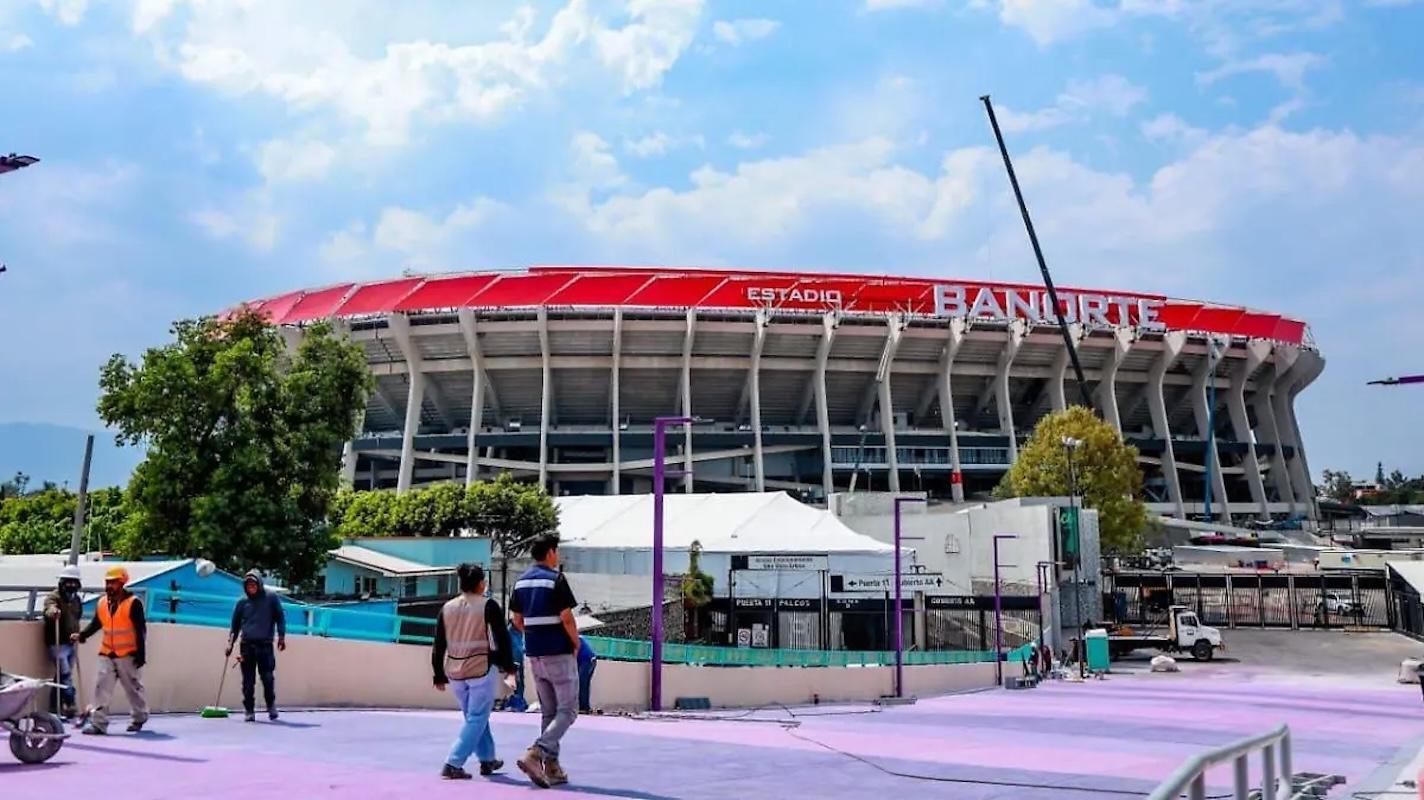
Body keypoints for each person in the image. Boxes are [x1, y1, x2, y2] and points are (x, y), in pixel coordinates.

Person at [509, 535, 581, 788]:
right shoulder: (556, 580)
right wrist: (575, 642)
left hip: (534, 654)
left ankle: (552, 767)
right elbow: (567, 618)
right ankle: (536, 753)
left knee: (549, 712)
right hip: (558, 652)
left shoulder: (520, 582)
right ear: (550, 552)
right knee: (569, 710)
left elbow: (517, 621)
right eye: (557, 551)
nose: (557, 555)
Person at [433, 563, 516, 780]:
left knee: (476, 717)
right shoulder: (488, 605)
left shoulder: (447, 607)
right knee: (477, 717)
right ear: (481, 584)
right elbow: (502, 639)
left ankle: (487, 759)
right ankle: (453, 762)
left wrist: (438, 674)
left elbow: (439, 644)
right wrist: (509, 668)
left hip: (454, 671)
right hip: (480, 669)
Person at [74, 566, 149, 735]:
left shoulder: (133, 603)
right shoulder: (102, 603)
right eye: (107, 582)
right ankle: (98, 723)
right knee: (101, 688)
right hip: (107, 652)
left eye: (113, 583)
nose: (109, 586)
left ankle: (139, 717)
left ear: (122, 583)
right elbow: (97, 623)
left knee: (133, 688)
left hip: (128, 654)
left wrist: (141, 654)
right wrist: (83, 635)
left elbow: (141, 630)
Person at [227, 570, 287, 722]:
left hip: (265, 646)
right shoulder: (242, 602)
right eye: (248, 585)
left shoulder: (271, 598)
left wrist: (281, 636)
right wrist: (230, 644)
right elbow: (234, 626)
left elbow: (280, 617)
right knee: (248, 681)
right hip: (247, 646)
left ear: (259, 584)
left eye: (253, 584)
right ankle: (249, 710)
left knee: (267, 678)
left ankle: (271, 705)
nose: (251, 587)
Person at [43, 565, 83, 719]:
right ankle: (70, 703)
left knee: (60, 677)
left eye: (74, 582)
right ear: (62, 582)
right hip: (57, 643)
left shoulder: (77, 600)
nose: (71, 585)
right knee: (65, 674)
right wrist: (53, 612)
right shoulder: (53, 597)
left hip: (71, 643)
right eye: (68, 582)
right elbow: (49, 608)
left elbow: (77, 617)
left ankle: (54, 709)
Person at [504, 619, 529, 713]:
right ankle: (517, 700)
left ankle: (519, 699)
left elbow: (521, 646)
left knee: (520, 681)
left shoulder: (519, 632)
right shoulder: (510, 632)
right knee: (516, 681)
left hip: (518, 659)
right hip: (513, 661)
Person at [576, 636, 597, 714]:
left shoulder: (573, 637)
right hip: (588, 660)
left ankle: (584, 707)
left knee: (582, 682)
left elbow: (575, 652)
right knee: (583, 683)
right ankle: (584, 707)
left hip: (587, 660)